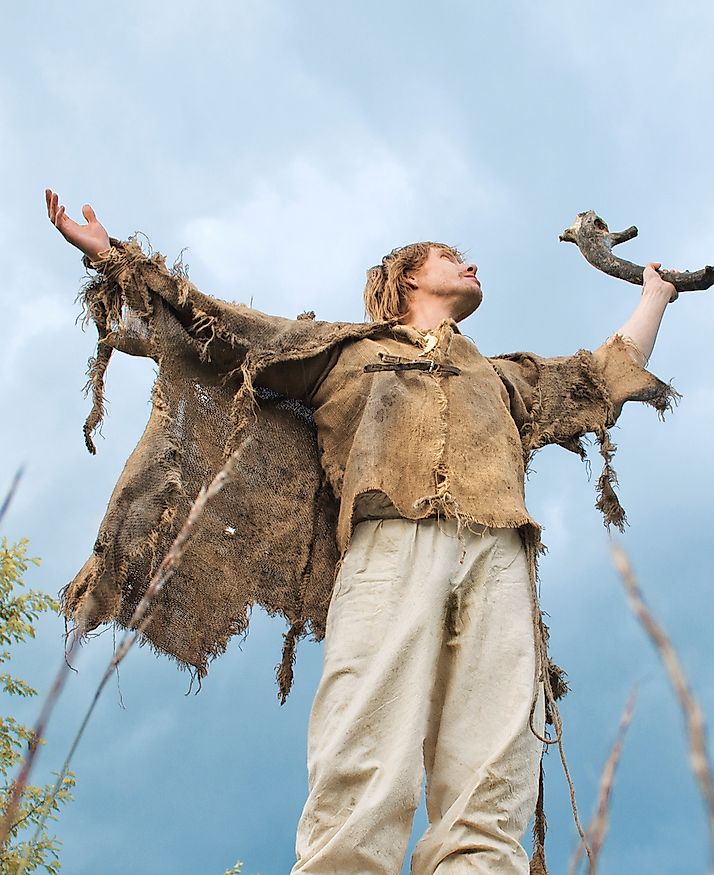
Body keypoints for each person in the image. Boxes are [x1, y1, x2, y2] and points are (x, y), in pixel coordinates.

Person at [45, 189, 677, 874]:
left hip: (500, 553)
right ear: (409, 276)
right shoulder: (343, 354)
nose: (471, 265)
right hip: (390, 545)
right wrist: (114, 256)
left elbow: (598, 377)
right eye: (451, 257)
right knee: (364, 750)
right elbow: (224, 330)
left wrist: (656, 296)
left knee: (492, 784)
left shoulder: (503, 379)